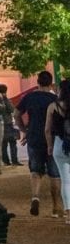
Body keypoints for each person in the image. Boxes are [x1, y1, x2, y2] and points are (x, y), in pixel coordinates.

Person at [17, 70, 62, 218]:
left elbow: (16, 114)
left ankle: (35, 197)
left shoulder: (29, 97)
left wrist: (24, 130)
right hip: (52, 139)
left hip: (34, 137)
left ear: (37, 82)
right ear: (50, 83)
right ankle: (56, 207)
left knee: (35, 171)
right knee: (54, 174)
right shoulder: (54, 99)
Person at [45, 78, 70, 225]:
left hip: (60, 145)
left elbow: (48, 130)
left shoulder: (53, 106)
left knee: (66, 181)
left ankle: (68, 214)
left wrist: (49, 145)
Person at [0, 84, 21, 167]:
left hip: (5, 124)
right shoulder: (0, 100)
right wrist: (5, 99)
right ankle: (11, 161)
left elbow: (11, 109)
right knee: (8, 143)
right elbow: (11, 109)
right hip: (5, 123)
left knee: (7, 144)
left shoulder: (0, 100)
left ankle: (9, 161)